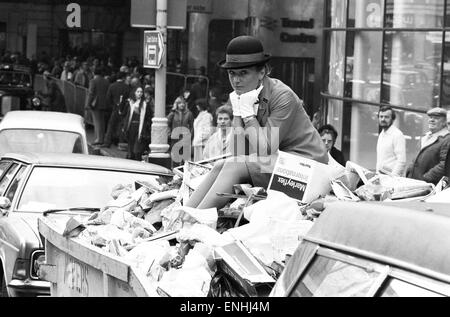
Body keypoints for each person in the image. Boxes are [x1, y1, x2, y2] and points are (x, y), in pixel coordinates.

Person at [185, 35, 328, 209]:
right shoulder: (244, 95)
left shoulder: (283, 96)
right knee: (220, 165)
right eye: (232, 74)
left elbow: (265, 149)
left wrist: (247, 116)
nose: (236, 81)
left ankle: (194, 220)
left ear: (262, 72)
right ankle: (182, 216)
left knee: (233, 167)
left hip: (309, 169)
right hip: (280, 164)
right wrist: (238, 112)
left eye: (243, 73)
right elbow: (237, 153)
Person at [406, 107, 450, 185]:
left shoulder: (447, 139)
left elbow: (444, 165)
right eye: (430, 117)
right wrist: (409, 172)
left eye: (436, 118)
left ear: (444, 122)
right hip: (415, 183)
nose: (431, 120)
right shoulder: (425, 137)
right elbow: (416, 158)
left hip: (429, 186)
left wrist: (425, 178)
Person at [122, 86, 153, 161]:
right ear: (134, 93)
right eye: (138, 92)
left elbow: (149, 116)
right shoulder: (129, 103)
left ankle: (137, 160)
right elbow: (124, 114)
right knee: (131, 147)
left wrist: (146, 126)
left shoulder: (145, 104)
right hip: (131, 127)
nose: (139, 93)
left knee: (137, 149)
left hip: (141, 128)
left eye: (141, 92)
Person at [375, 106, 406, 176]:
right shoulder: (381, 134)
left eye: (386, 117)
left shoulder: (397, 135)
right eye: (381, 116)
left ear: (392, 119)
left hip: (391, 179)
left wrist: (392, 177)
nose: (383, 119)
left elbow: (401, 161)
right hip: (381, 177)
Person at [101, 71, 130, 148]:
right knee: (121, 126)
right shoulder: (126, 87)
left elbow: (108, 98)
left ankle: (107, 142)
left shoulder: (112, 86)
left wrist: (112, 106)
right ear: (123, 78)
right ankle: (121, 143)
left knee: (111, 125)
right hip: (124, 109)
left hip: (115, 108)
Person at [167, 96, 194, 167]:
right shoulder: (173, 113)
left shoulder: (189, 113)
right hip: (175, 138)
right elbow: (167, 124)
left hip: (185, 138)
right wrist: (169, 134)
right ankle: (175, 174)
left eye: (183, 103)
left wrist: (190, 136)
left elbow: (192, 126)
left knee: (185, 159)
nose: (182, 105)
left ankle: (184, 174)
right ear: (176, 104)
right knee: (175, 158)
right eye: (179, 103)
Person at [87, 67, 110, 145]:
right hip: (104, 103)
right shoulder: (106, 81)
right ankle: (101, 138)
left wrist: (88, 103)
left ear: (94, 73)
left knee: (96, 121)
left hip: (95, 103)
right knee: (102, 122)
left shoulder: (93, 81)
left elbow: (91, 93)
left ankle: (98, 139)